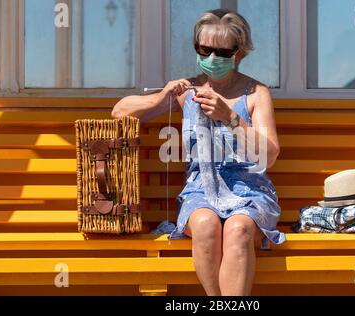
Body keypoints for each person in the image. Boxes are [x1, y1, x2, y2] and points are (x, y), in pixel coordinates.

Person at [111, 8, 286, 296]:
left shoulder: (256, 94)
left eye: (221, 52)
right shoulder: (187, 91)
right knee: (205, 225)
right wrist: (161, 97)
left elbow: (269, 154)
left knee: (238, 230)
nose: (211, 58)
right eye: (204, 49)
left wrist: (229, 117)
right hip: (200, 190)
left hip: (249, 190)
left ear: (238, 53)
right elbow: (120, 112)